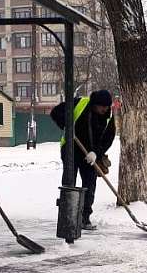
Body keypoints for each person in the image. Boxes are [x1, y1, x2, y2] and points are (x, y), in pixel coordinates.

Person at [50, 90, 116, 231]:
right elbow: (55, 112)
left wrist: (96, 153)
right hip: (70, 149)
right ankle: (67, 217)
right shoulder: (79, 103)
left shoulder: (109, 115)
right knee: (69, 183)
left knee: (89, 185)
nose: (105, 110)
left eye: (107, 107)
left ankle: (84, 218)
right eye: (102, 107)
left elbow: (108, 138)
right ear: (95, 104)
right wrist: (67, 125)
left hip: (90, 155)